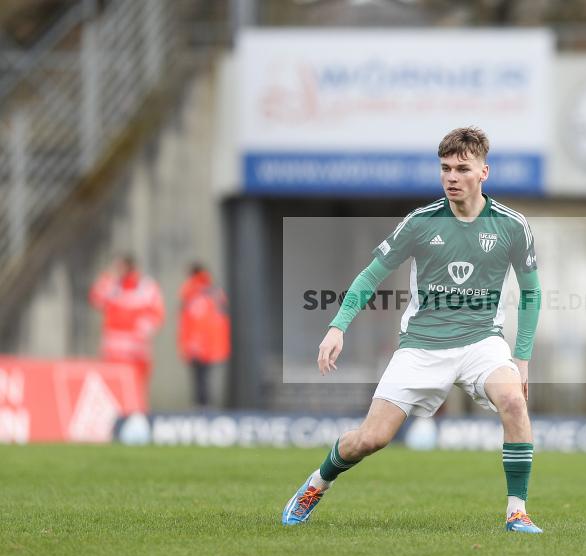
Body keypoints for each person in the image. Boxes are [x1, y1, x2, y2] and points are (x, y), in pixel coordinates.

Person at [281, 127, 543, 533]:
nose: (451, 177)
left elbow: (531, 292)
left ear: (483, 172)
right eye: (445, 169)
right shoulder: (421, 222)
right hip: (422, 345)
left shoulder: (512, 225)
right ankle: (317, 484)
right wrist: (337, 326)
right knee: (371, 439)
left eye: (461, 168)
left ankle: (517, 511)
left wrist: (521, 359)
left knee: (512, 400)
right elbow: (371, 276)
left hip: (482, 342)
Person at [89, 254, 165, 393]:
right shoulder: (112, 286)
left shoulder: (146, 287)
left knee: (137, 388)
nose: (118, 270)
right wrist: (108, 276)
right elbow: (96, 299)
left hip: (136, 352)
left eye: (120, 267)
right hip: (114, 353)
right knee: (112, 388)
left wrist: (142, 332)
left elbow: (156, 314)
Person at [178, 263, 230, 409]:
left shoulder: (192, 292)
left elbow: (188, 320)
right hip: (207, 344)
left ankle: (202, 405)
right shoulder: (213, 292)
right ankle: (203, 405)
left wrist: (188, 342)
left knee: (200, 377)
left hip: (200, 344)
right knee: (203, 377)